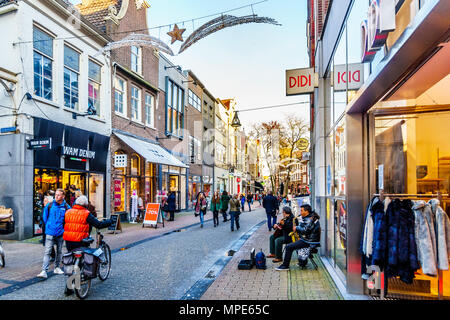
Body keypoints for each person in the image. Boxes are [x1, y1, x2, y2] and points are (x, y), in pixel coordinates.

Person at [63, 195, 112, 295]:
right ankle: (81, 279)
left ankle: (68, 288)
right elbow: (98, 224)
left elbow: (64, 223)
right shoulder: (86, 213)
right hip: (80, 241)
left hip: (68, 240)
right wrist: (109, 222)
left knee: (71, 261)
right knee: (82, 261)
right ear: (85, 204)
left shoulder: (68, 212)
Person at [37, 189, 70, 279]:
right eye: (56, 194)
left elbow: (69, 218)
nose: (56, 196)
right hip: (50, 232)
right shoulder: (50, 205)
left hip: (60, 233)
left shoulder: (66, 207)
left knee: (59, 251)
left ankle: (57, 267)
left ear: (63, 196)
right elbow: (45, 218)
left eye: (59, 195)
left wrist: (63, 228)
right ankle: (44, 271)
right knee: (47, 252)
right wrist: (50, 226)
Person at [276, 204, 321, 271]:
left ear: (307, 211)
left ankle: (285, 265)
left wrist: (297, 228)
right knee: (293, 245)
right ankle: (302, 262)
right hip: (308, 239)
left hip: (309, 241)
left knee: (289, 247)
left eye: (302, 211)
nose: (300, 212)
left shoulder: (309, 219)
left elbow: (305, 230)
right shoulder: (310, 217)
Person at [41, 196, 56, 261]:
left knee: (49, 243)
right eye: (44, 201)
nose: (43, 202)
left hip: (49, 228)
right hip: (45, 227)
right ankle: (52, 255)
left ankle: (52, 256)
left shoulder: (50, 209)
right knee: (48, 243)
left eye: (45, 201)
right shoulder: (44, 208)